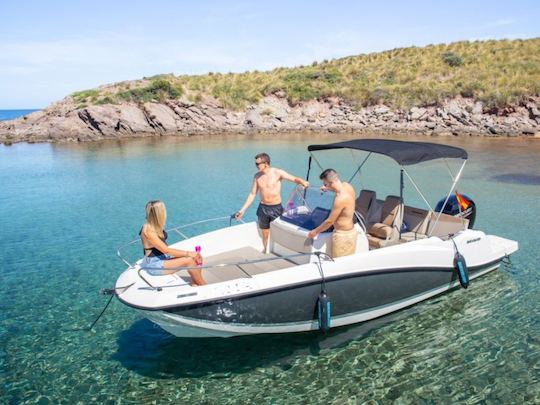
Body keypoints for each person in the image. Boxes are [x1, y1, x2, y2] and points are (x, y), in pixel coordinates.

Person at [235, 153, 309, 252]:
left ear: (266, 163)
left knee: (279, 232)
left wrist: (303, 182)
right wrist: (242, 210)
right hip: (263, 208)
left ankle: (281, 251)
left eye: (258, 164)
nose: (256, 166)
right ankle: (266, 250)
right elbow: (252, 194)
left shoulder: (277, 172)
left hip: (276, 208)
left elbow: (293, 178)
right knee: (265, 233)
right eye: (255, 163)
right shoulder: (257, 176)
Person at [140, 200, 206, 286]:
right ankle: (204, 286)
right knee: (189, 260)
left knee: (196, 257)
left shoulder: (154, 226)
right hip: (154, 265)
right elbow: (166, 250)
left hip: (162, 259)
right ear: (159, 213)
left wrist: (192, 254)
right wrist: (188, 253)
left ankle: (195, 284)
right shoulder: (148, 231)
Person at [307, 169, 357, 258]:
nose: (324, 186)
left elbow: (329, 222)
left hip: (342, 236)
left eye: (325, 184)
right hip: (351, 232)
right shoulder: (348, 186)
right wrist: (327, 188)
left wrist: (315, 232)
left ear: (331, 182)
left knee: (339, 265)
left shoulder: (340, 199)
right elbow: (339, 191)